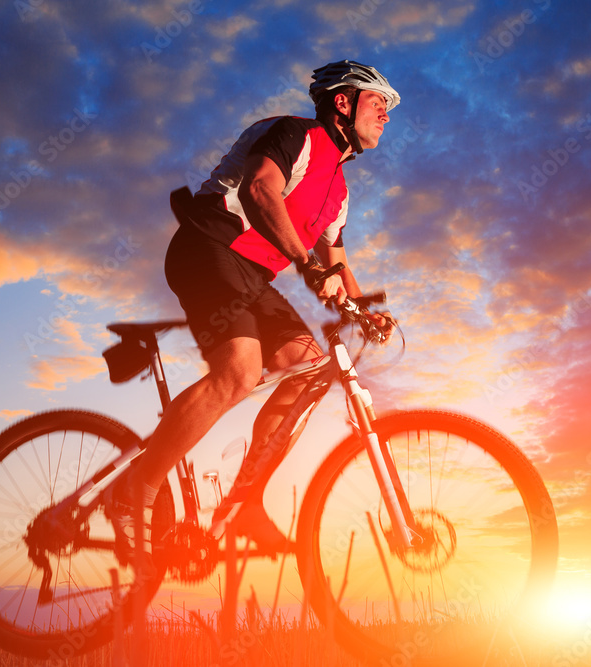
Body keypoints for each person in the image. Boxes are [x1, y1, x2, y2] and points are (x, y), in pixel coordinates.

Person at [106, 60, 399, 574]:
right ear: (343, 102)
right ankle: (135, 489)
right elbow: (262, 189)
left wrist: (367, 311)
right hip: (209, 246)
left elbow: (336, 259)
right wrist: (308, 267)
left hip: (252, 276)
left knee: (307, 368)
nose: (387, 115)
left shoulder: (340, 190)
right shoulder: (296, 134)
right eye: (379, 103)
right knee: (240, 371)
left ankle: (243, 505)